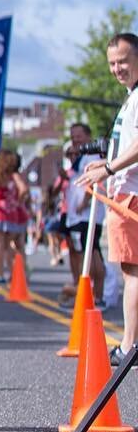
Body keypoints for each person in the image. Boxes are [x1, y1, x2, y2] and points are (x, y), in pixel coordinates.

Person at [78, 33, 138, 363]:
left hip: (130, 197)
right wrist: (106, 163)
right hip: (125, 193)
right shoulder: (131, 97)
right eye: (112, 63)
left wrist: (110, 169)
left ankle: (129, 347)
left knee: (133, 273)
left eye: (123, 61)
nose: (117, 68)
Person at [64, 124, 107, 305]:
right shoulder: (82, 156)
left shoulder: (92, 155)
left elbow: (94, 180)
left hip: (88, 214)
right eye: (73, 136)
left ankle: (97, 296)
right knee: (83, 252)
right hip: (78, 215)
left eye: (79, 136)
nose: (75, 139)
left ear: (89, 136)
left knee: (91, 252)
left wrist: (84, 202)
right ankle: (88, 295)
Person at [0, 148, 29, 283]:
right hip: (13, 213)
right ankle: (17, 274)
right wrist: (18, 201)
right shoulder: (15, 175)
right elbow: (24, 189)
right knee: (11, 245)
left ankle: (0, 274)